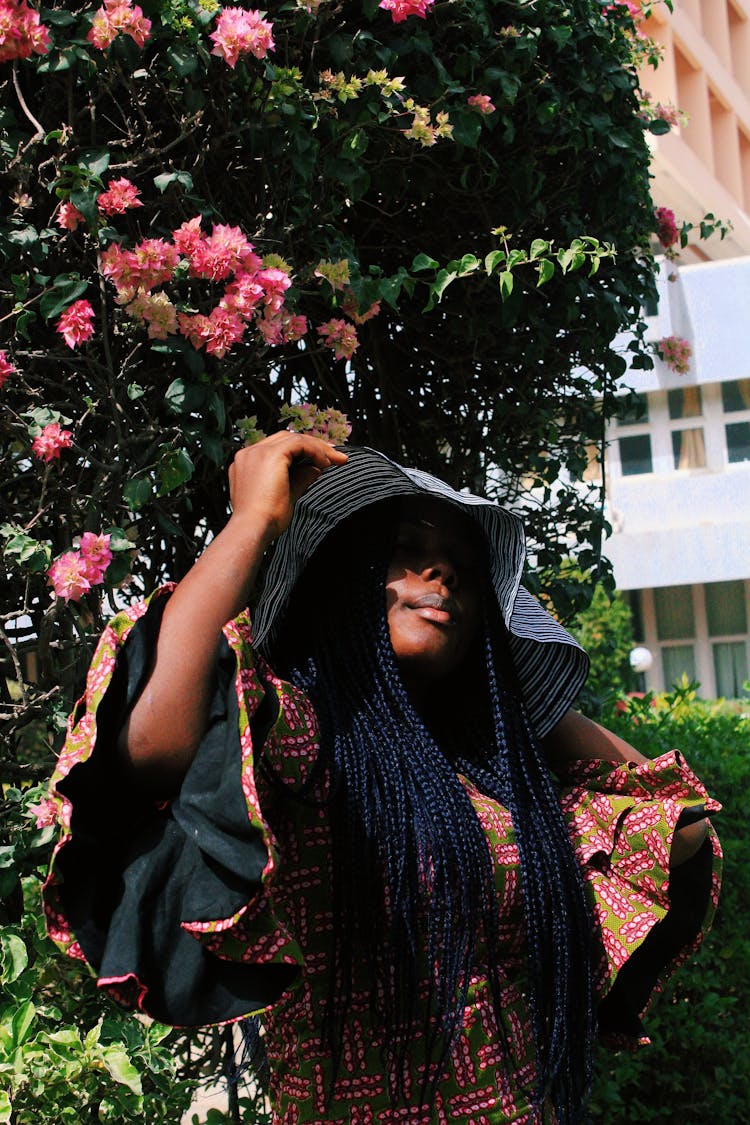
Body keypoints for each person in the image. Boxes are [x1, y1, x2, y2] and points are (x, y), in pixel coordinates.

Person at [43, 431, 721, 1125]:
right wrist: (252, 521)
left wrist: (520, 683)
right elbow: (158, 741)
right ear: (347, 578)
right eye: (408, 550)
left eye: (465, 569)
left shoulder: (497, 793)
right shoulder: (306, 740)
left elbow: (683, 821)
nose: (444, 575)